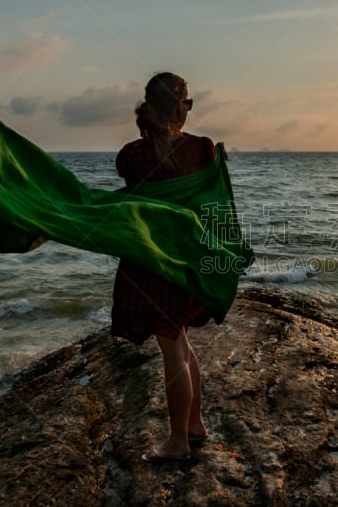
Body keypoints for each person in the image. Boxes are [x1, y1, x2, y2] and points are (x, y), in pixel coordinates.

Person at [111, 72, 216, 462]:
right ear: (179, 108)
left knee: (173, 350)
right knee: (181, 344)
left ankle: (178, 442)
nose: (188, 112)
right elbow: (212, 205)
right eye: (187, 105)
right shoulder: (203, 150)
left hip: (150, 266)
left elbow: (136, 203)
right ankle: (193, 424)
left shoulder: (131, 156)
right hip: (187, 263)